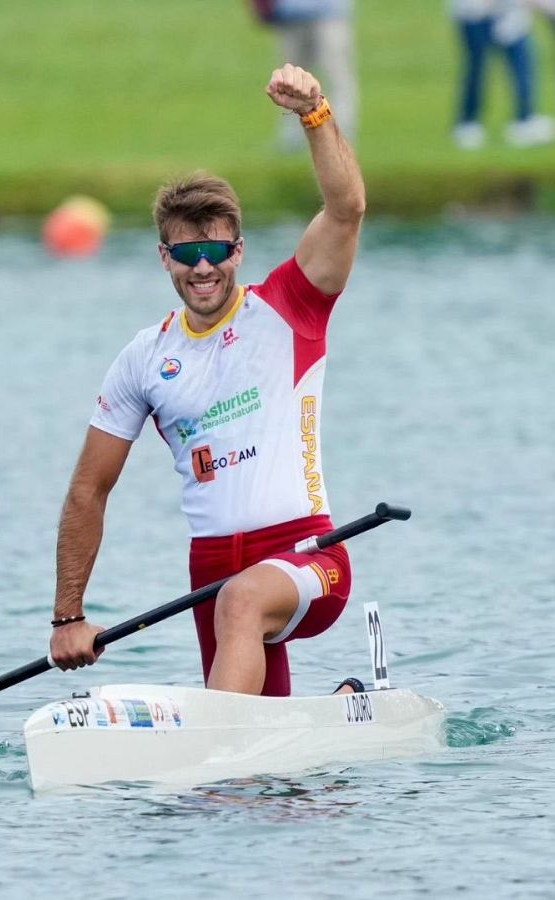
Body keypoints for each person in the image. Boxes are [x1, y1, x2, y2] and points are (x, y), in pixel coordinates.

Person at [48, 65, 365, 697]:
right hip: (212, 568)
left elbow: (346, 208)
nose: (203, 268)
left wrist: (315, 114)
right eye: (186, 254)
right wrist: (68, 616)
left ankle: (218, 750)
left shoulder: (290, 307)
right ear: (164, 257)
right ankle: (326, 726)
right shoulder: (143, 359)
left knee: (242, 604)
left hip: (308, 554)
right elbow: (89, 488)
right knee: (257, 741)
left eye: (216, 252)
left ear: (238, 251)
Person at [248, 0, 359, 150]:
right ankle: (293, 138)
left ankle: (341, 136)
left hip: (329, 13)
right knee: (289, 82)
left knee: (337, 79)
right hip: (290, 14)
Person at [451, 0, 554, 149]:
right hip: (475, 13)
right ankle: (468, 123)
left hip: (511, 18)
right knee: (477, 68)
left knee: (523, 65)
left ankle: (525, 119)